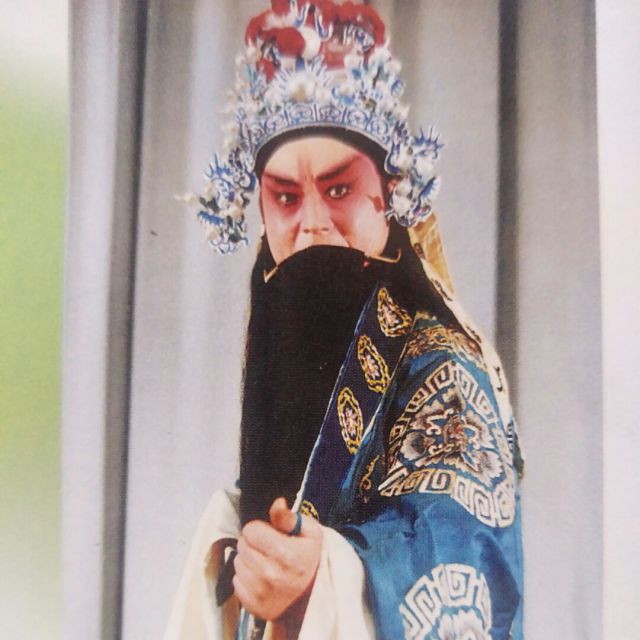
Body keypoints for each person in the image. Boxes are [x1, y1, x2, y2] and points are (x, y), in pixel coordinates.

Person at [166, 2, 524, 639]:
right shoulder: (287, 335)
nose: (311, 225)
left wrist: (327, 575)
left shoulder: (442, 365)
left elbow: (463, 553)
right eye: (285, 197)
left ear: (389, 198)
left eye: (338, 190)